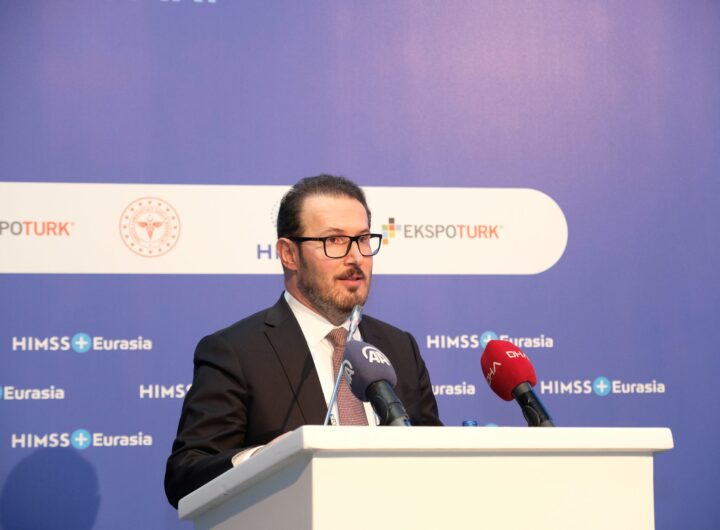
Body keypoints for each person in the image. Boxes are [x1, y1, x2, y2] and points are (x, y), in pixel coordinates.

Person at [164, 174, 441, 508]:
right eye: (334, 240)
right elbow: (185, 474)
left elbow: (435, 459)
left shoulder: (399, 347)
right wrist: (265, 460)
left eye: (363, 239)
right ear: (288, 254)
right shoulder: (236, 352)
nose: (355, 257)